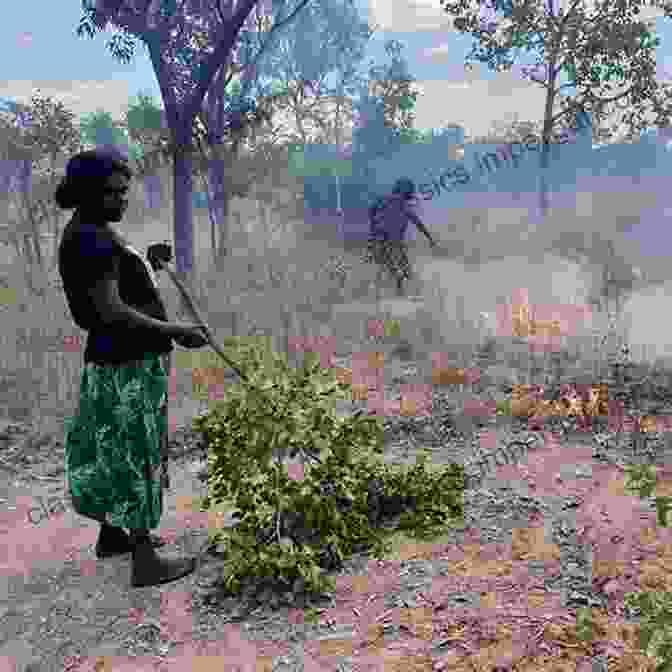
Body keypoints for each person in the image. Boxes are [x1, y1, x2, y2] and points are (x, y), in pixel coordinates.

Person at [55, 147, 209, 588]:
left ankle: (112, 535)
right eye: (111, 193)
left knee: (110, 443)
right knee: (135, 450)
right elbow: (112, 310)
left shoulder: (88, 230)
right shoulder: (93, 238)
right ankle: (144, 559)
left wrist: (146, 259)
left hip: (112, 359)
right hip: (127, 361)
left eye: (124, 192)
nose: (121, 200)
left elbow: (117, 282)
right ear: (87, 192)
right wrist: (173, 329)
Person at [362, 177, 438, 298]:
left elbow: (371, 210)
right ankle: (401, 290)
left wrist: (373, 224)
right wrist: (430, 238)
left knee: (386, 264)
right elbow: (417, 222)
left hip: (378, 238)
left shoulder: (384, 199)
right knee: (402, 268)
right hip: (393, 241)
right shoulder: (404, 205)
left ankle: (392, 288)